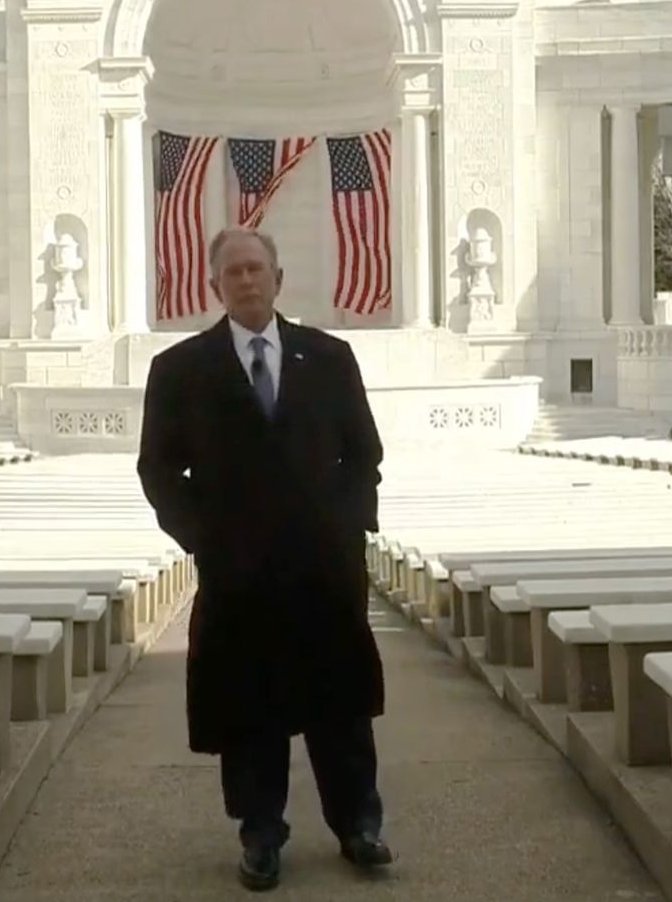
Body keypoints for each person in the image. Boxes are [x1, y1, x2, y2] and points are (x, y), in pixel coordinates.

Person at [136, 226, 392, 892]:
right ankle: (260, 834)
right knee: (250, 712)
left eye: (257, 269)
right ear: (213, 286)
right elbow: (158, 470)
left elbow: (364, 453)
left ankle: (359, 826)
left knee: (340, 709)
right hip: (239, 573)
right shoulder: (180, 370)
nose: (246, 281)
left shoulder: (330, 358)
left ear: (278, 279)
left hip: (324, 569)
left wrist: (347, 527)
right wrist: (205, 537)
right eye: (233, 272)